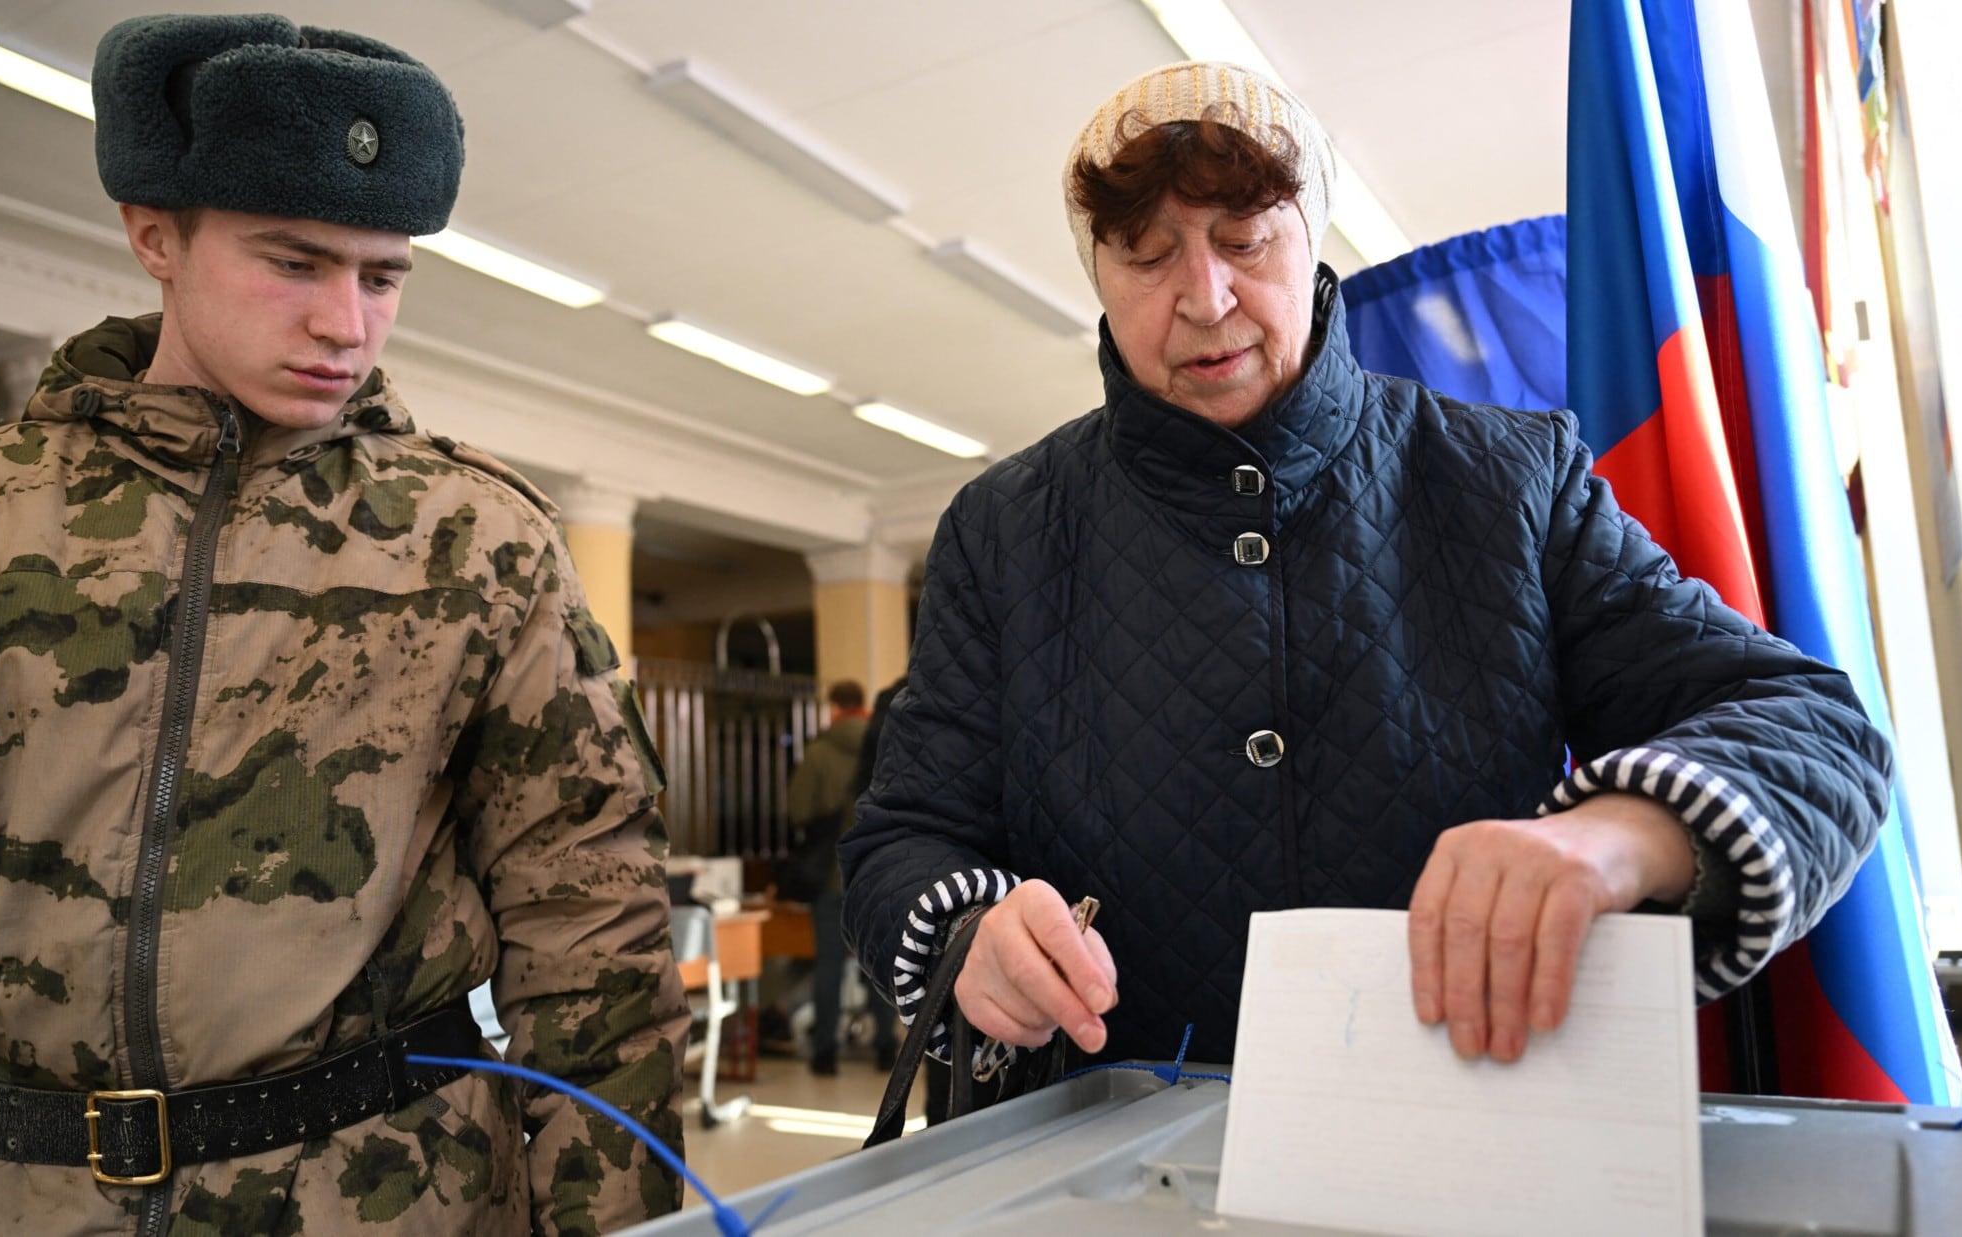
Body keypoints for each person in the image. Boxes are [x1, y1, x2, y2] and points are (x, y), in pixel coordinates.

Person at [840, 62, 1892, 1077]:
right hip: (1106, 1139)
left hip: (1463, 1118)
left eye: (1245, 241)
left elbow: (1818, 730)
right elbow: (904, 836)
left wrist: (1622, 839)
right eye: (1145, 256)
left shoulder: (1512, 479)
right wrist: (971, 934)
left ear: (1312, 241)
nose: (1204, 297)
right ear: (1098, 277)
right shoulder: (1003, 527)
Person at [0, 14, 685, 1234]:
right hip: (7, 1199)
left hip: (384, 1196)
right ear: (155, 235)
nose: (345, 324)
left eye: (382, 275)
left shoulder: (477, 540)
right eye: (293, 263)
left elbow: (592, 935)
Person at [785, 681, 896, 1075]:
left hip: (833, 876)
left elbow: (798, 810)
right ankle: (886, 1045)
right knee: (878, 962)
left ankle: (826, 1053)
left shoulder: (818, 754)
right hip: (877, 877)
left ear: (834, 708)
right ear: (862, 704)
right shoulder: (887, 743)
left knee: (829, 964)